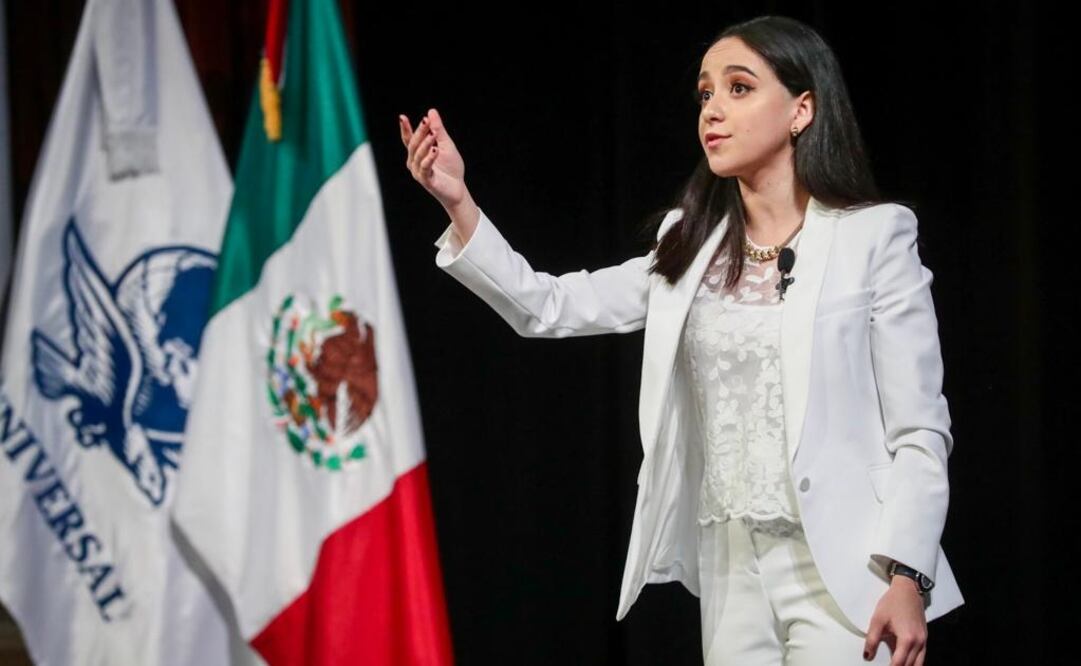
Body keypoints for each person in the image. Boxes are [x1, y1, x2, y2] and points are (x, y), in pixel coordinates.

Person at [399, 14, 962, 666]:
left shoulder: (874, 237)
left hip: (845, 566)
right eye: (704, 93)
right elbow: (545, 306)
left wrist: (906, 574)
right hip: (729, 567)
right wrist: (458, 202)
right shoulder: (687, 246)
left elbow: (919, 431)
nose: (712, 110)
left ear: (801, 109)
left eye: (738, 88)